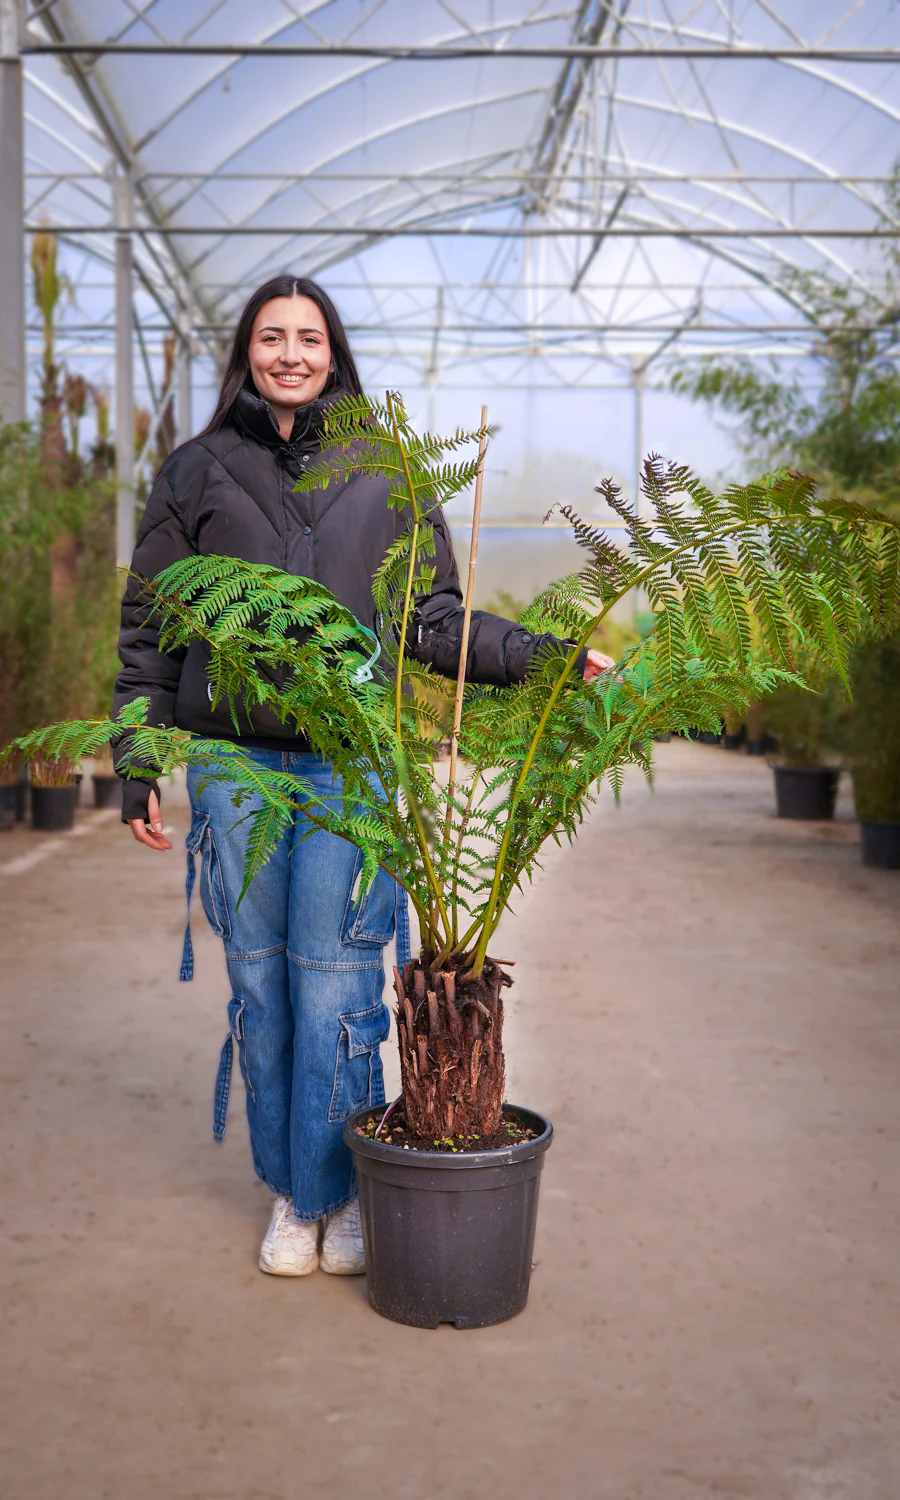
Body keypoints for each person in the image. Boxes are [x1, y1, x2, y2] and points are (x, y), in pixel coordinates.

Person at [114, 274, 613, 1279]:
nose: (290, 354)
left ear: (334, 353)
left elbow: (432, 618)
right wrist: (140, 762)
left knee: (337, 987)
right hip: (234, 768)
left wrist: (542, 657)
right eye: (272, 337)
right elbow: (150, 628)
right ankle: (290, 1193)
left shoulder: (387, 470)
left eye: (309, 338)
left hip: (352, 771)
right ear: (247, 352)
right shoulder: (194, 471)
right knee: (261, 990)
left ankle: (336, 1195)